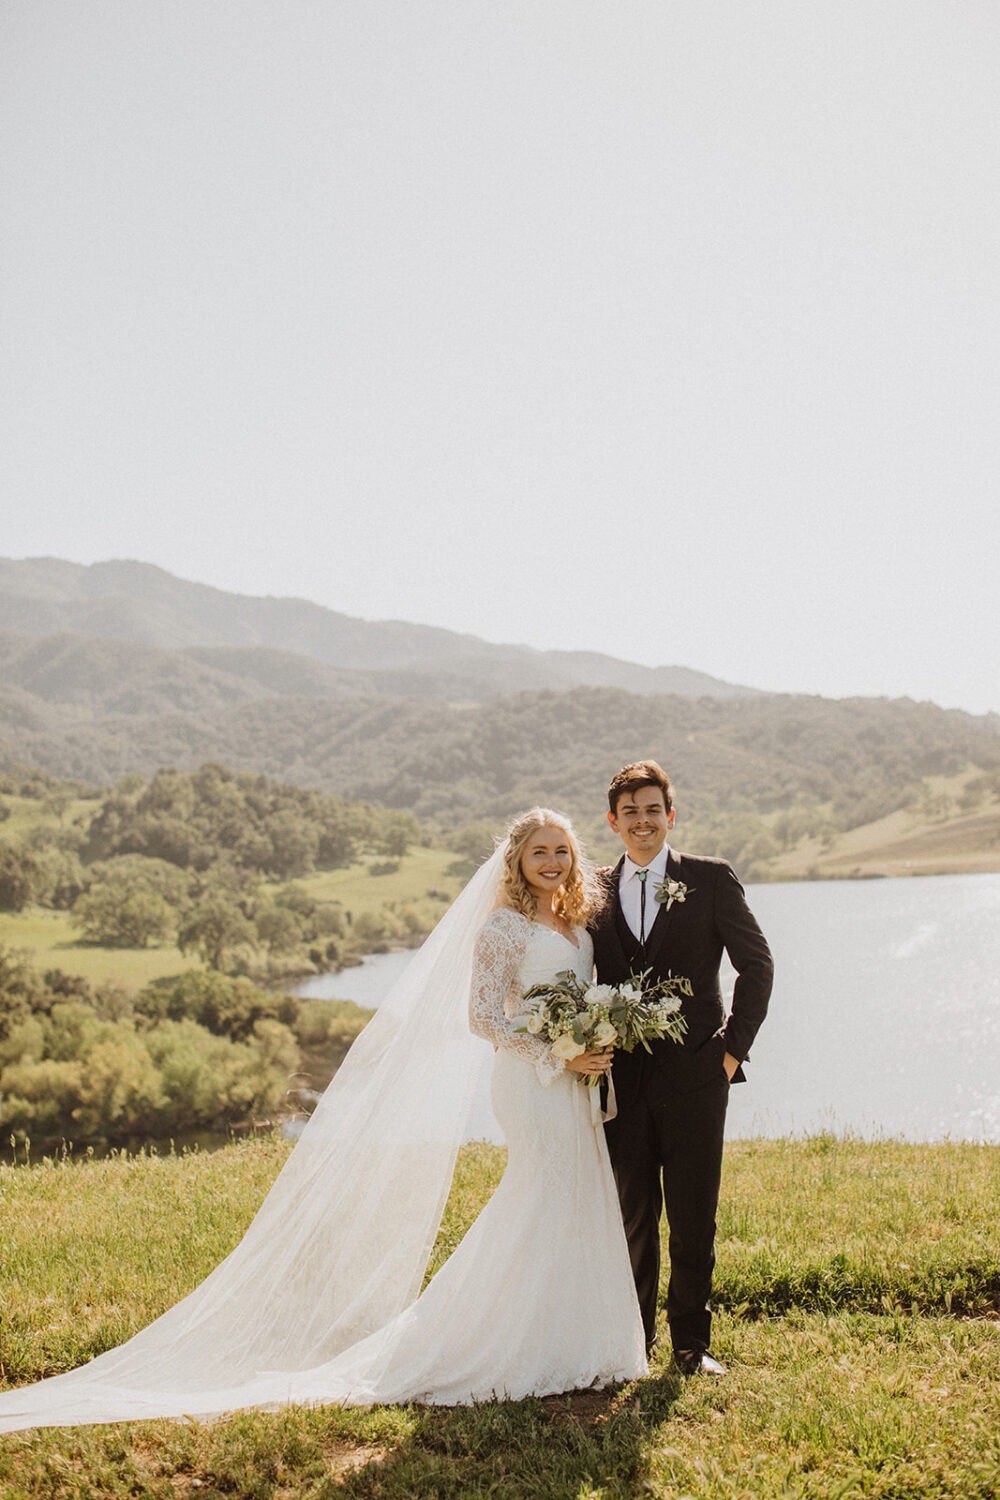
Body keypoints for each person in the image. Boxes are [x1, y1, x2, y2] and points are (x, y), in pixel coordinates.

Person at [0, 809, 645, 1433]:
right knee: (538, 1194)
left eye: (561, 850)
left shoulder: (577, 922)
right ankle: (494, 1342)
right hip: (533, 1083)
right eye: (540, 851)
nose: (553, 861)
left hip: (574, 1082)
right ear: (517, 861)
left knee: (576, 1195)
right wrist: (557, 1050)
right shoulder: (502, 928)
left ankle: (574, 1340)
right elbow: (483, 1019)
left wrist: (589, 1043)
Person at [592, 761, 773, 1377]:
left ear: (671, 816)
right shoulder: (592, 891)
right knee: (634, 1217)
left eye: (653, 810)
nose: (642, 822)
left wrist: (729, 1054)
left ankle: (691, 1346)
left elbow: (757, 966)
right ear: (613, 822)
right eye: (630, 812)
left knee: (695, 1217)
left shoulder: (711, 879)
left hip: (699, 1079)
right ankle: (632, 1345)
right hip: (623, 1084)